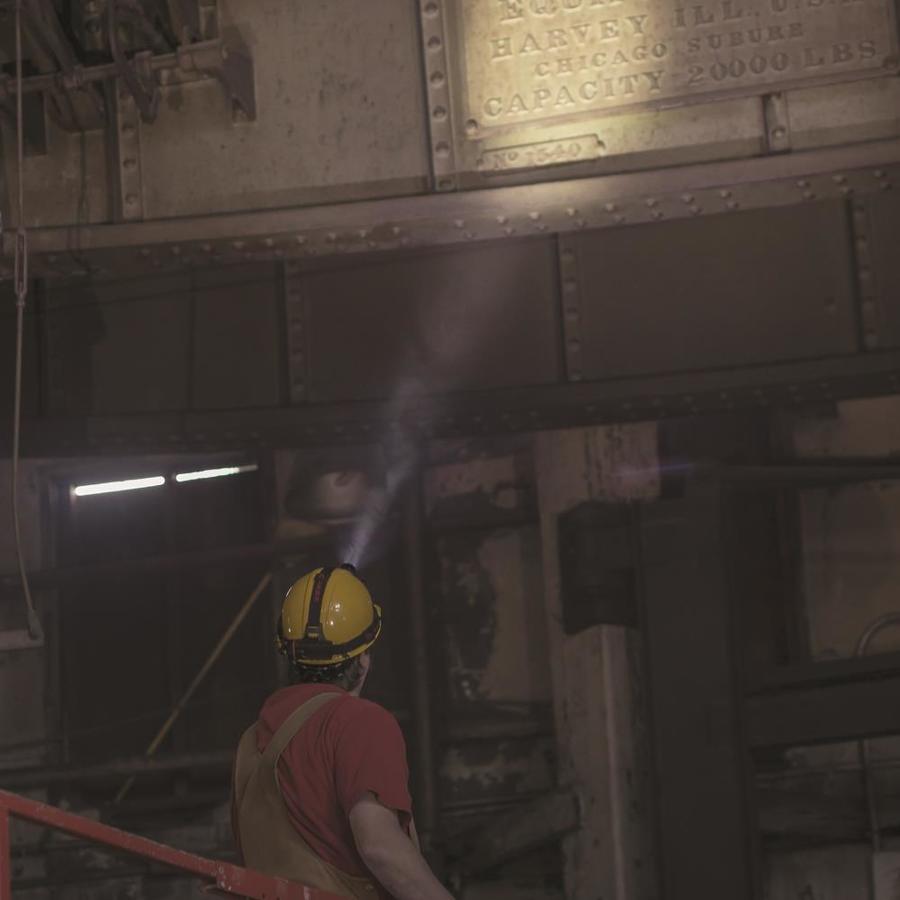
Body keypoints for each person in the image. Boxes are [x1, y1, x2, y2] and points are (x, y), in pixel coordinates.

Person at [233, 564, 453, 900]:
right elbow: (381, 848)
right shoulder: (358, 722)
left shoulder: (250, 742)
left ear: (289, 655)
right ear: (363, 659)